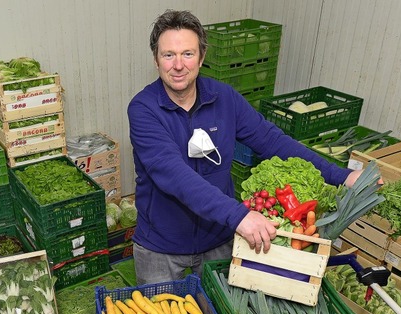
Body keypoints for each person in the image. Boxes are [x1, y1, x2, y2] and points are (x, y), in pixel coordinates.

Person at [128, 9, 363, 285]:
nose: (178, 65)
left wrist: (342, 176)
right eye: (169, 55)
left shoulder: (224, 99)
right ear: (156, 60)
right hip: (160, 249)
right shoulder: (144, 109)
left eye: (188, 54)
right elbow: (173, 173)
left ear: (202, 58)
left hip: (218, 242)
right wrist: (239, 215)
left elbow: (274, 142)